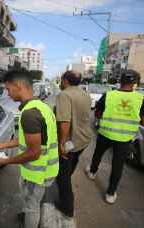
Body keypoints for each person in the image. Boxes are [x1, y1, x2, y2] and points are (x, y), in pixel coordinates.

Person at [0, 70, 58, 228]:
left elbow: (34, 153)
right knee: (31, 204)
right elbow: (28, 140)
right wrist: (1, 145)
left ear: (18, 86)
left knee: (32, 207)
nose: (7, 93)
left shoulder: (30, 114)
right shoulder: (41, 106)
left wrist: (6, 160)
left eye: (8, 89)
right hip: (46, 170)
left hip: (38, 174)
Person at [85, 69, 144, 204]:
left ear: (120, 81)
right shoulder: (141, 99)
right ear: (135, 83)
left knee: (98, 154)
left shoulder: (108, 95)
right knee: (118, 165)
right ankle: (110, 193)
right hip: (124, 139)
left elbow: (97, 115)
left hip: (105, 134)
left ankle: (92, 172)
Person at [55, 71, 92, 218]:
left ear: (65, 80)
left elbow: (65, 122)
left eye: (61, 79)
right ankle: (67, 180)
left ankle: (67, 207)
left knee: (62, 177)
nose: (60, 82)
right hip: (83, 139)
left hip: (71, 141)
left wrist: (62, 144)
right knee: (70, 166)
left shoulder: (64, 95)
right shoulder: (84, 94)